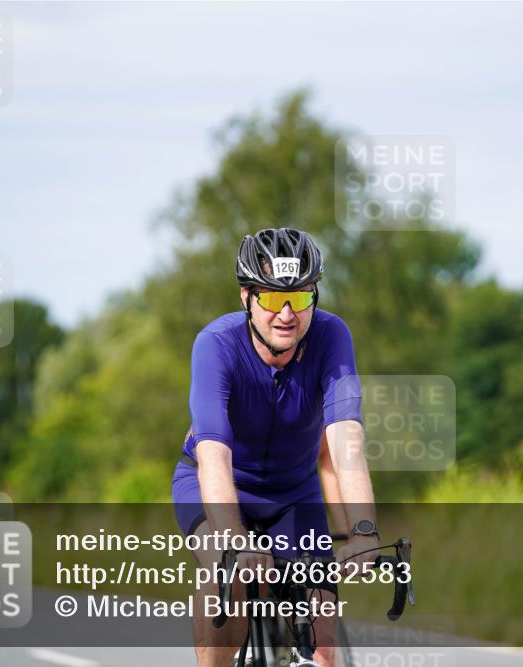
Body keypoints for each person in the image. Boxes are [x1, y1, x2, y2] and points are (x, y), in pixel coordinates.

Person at [172, 228, 379, 667]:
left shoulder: (331, 337)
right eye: (270, 298)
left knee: (323, 637)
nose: (286, 313)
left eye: (300, 298)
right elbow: (213, 456)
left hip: (293, 495)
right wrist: (234, 539)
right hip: (217, 484)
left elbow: (346, 446)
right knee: (224, 577)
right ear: (246, 296)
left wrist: (363, 530)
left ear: (315, 297)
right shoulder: (216, 345)